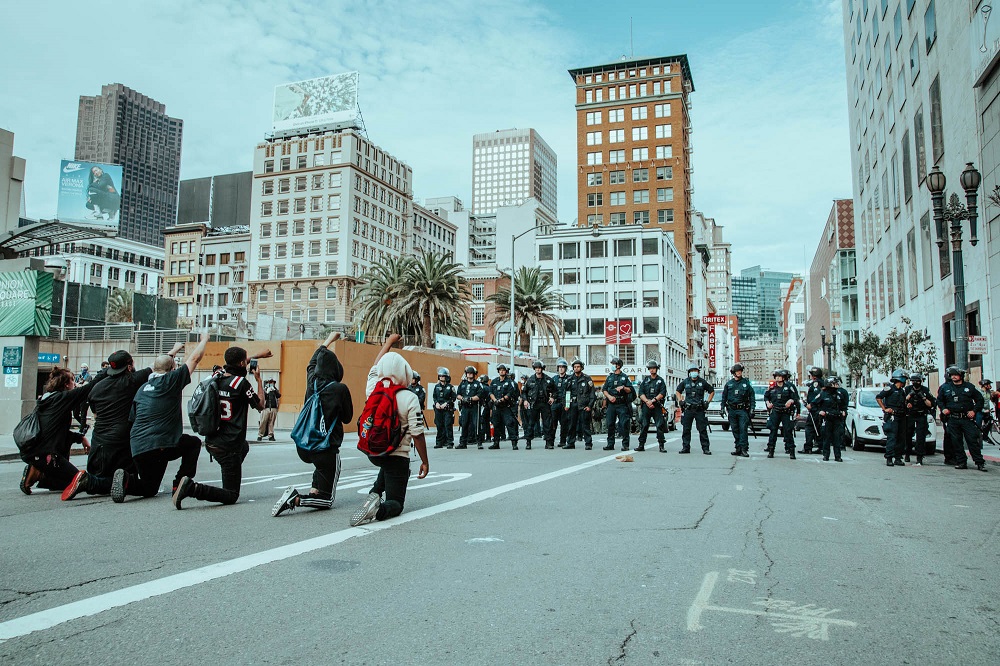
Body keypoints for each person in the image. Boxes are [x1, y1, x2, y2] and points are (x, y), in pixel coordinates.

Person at [62, 345, 183, 501]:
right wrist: (174, 350)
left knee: (106, 480)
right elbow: (158, 366)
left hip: (99, 441)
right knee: (125, 482)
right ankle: (88, 481)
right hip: (122, 441)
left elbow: (96, 414)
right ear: (129, 366)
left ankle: (89, 479)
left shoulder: (97, 388)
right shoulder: (132, 381)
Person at [111, 333, 210, 502]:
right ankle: (181, 483)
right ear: (172, 369)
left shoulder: (143, 388)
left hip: (139, 446)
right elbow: (194, 359)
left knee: (150, 488)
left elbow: (133, 418)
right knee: (193, 443)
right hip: (162, 443)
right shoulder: (171, 380)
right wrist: (205, 339)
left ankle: (128, 481)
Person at [172, 346, 273, 508]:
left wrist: (256, 354)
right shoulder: (241, 383)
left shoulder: (215, 376)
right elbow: (261, 405)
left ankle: (230, 471)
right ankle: (192, 488)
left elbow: (234, 364)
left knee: (244, 447)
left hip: (212, 439)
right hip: (229, 445)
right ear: (242, 363)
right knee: (232, 495)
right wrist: (259, 380)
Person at [350, 334, 429, 526]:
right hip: (397, 456)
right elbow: (417, 434)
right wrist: (425, 462)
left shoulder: (372, 388)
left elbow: (375, 367)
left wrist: (388, 344)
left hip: (373, 451)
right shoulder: (409, 398)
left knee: (386, 464)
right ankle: (378, 509)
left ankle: (375, 493)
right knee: (396, 503)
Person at [273, 331, 354, 516]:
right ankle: (296, 498)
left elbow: (311, 363)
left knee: (320, 468)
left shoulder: (311, 382)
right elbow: (347, 418)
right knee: (328, 500)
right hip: (326, 447)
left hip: (304, 445)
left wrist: (327, 342)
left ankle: (314, 490)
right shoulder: (339, 389)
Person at [18, 367, 103, 496]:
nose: (75, 384)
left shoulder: (48, 399)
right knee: (82, 481)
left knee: (62, 484)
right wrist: (105, 372)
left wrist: (81, 438)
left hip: (37, 452)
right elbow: (87, 389)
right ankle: (38, 470)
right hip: (46, 454)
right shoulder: (60, 398)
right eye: (72, 380)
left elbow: (58, 432)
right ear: (65, 384)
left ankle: (39, 471)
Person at [937, 366, 988, 471]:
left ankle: (979, 462)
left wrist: (974, 411)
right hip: (952, 419)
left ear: (961, 376)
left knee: (972, 440)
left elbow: (980, 400)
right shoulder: (945, 387)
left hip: (966, 419)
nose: (954, 377)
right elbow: (939, 400)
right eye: (952, 375)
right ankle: (961, 462)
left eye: (956, 375)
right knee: (956, 442)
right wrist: (943, 409)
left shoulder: (969, 387)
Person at [675, 363, 714, 454]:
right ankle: (686, 447)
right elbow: (678, 391)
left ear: (698, 372)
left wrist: (707, 402)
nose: (694, 372)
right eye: (692, 371)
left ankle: (705, 448)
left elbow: (711, 391)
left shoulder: (702, 382)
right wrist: (680, 400)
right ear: (689, 372)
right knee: (686, 429)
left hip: (699, 409)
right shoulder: (685, 382)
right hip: (688, 408)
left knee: (702, 429)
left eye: (695, 371)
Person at [720, 363, 754, 458]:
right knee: (735, 430)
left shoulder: (746, 383)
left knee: (743, 429)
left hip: (742, 410)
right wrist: (722, 408)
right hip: (732, 410)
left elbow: (752, 396)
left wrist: (752, 409)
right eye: (737, 371)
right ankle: (738, 448)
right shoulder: (729, 384)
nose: (739, 373)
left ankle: (744, 449)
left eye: (740, 371)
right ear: (733, 373)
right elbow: (724, 397)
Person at [763, 369, 799, 459]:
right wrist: (768, 403)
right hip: (775, 411)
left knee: (788, 431)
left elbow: (795, 398)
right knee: (773, 430)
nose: (778, 378)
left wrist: (791, 401)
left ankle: (791, 450)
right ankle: (771, 450)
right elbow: (766, 396)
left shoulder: (789, 387)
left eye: (780, 376)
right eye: (777, 376)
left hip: (785, 412)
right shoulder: (772, 387)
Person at [876, 370, 909, 467]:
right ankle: (889, 457)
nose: (905, 382)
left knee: (901, 438)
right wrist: (885, 409)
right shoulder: (889, 388)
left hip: (901, 416)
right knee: (892, 437)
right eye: (904, 379)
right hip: (892, 417)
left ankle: (898, 458)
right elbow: (879, 397)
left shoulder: (902, 391)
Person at [636, 360, 669, 452]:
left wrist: (653, 401)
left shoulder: (660, 380)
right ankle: (641, 445)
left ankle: (661, 445)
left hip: (657, 406)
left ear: (657, 369)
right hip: (646, 405)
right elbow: (641, 392)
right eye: (650, 368)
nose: (652, 370)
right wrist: (647, 401)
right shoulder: (645, 380)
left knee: (659, 425)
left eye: (653, 368)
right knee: (644, 425)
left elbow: (662, 393)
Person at [602, 357, 634, 451]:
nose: (612, 365)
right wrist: (609, 397)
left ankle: (625, 444)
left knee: (624, 424)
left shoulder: (625, 377)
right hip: (611, 403)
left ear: (618, 365)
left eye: (613, 364)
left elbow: (630, 390)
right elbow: (604, 390)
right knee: (610, 424)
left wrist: (623, 387)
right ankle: (610, 444)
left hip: (622, 403)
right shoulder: (609, 377)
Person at [522, 361, 555, 450]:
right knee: (531, 423)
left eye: (539, 368)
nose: (538, 370)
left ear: (542, 369)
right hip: (534, 403)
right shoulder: (530, 380)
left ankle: (548, 442)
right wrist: (525, 400)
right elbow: (524, 392)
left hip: (545, 403)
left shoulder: (548, 379)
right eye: (536, 368)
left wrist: (552, 397)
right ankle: (528, 442)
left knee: (547, 423)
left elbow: (555, 390)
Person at [904, 373, 936, 465]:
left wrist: (923, 398)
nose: (915, 383)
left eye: (917, 381)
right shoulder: (907, 389)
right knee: (908, 435)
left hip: (921, 414)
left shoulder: (925, 390)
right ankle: (907, 453)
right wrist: (908, 400)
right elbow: (902, 402)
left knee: (921, 436)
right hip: (910, 415)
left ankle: (919, 456)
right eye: (913, 381)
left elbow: (931, 404)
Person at [816, 377, 848, 462]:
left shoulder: (839, 394)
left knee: (837, 437)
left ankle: (838, 456)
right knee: (826, 437)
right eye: (835, 383)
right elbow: (814, 404)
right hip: (827, 418)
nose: (837, 385)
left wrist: (844, 411)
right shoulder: (823, 394)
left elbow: (844, 405)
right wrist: (820, 411)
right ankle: (826, 455)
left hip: (837, 418)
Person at [489, 364, 520, 450]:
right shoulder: (494, 381)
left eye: (503, 370)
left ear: (506, 371)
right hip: (496, 406)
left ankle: (514, 442)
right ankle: (496, 443)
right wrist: (495, 400)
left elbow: (510, 393)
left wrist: (502, 399)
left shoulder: (510, 382)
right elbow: (490, 392)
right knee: (496, 425)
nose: (501, 371)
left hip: (506, 406)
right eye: (500, 370)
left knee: (509, 423)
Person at [565, 359, 595, 449]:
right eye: (575, 367)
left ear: (581, 368)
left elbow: (592, 394)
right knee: (571, 425)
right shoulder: (570, 379)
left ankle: (588, 443)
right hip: (573, 404)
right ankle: (570, 443)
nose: (576, 368)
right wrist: (566, 405)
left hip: (584, 405)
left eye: (578, 367)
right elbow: (566, 393)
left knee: (585, 425)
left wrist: (590, 406)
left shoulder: (587, 379)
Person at [456, 366, 484, 449]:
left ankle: (479, 442)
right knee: (464, 424)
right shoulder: (463, 383)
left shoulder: (478, 384)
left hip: (475, 406)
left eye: (471, 373)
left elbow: (480, 395)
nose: (469, 375)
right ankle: (463, 443)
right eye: (468, 373)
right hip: (465, 407)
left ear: (474, 374)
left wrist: (471, 398)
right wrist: (463, 398)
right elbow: (458, 395)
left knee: (477, 424)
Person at [800, 367, 825, 455]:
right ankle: (820, 447)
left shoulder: (816, 384)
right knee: (817, 428)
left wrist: (811, 404)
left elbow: (819, 395)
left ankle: (808, 447)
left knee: (809, 428)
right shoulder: (821, 383)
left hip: (815, 410)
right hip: (818, 409)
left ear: (814, 376)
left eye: (811, 374)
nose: (810, 376)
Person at [432, 367, 456, 449]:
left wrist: (446, 403)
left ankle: (450, 442)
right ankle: (439, 442)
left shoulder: (450, 387)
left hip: (447, 409)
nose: (442, 377)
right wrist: (436, 403)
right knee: (439, 425)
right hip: (438, 409)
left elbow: (453, 398)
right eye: (440, 376)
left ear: (447, 377)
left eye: (443, 376)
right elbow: (434, 397)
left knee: (448, 425)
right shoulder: (436, 387)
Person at [549, 359, 572, 448]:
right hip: (555, 403)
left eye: (563, 367)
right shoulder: (554, 378)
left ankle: (563, 441)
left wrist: (567, 404)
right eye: (560, 367)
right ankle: (551, 441)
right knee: (553, 423)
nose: (561, 369)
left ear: (565, 369)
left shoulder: (569, 379)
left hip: (564, 403)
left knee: (564, 423)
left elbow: (569, 392)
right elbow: (549, 390)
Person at [73, 363, 92, 433]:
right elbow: (75, 384)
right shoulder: (78, 376)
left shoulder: (88, 376)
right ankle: (84, 425)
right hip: (78, 397)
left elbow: (85, 386)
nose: (83, 368)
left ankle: (81, 430)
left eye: (84, 367)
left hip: (85, 397)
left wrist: (78, 384)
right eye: (82, 367)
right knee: (75, 414)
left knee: (83, 413)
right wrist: (78, 384)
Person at [478, 374, 492, 443]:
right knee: (487, 422)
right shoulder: (489, 387)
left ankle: (482, 437)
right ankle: (488, 437)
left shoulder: (482, 387)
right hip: (488, 407)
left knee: (482, 422)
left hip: (483, 406)